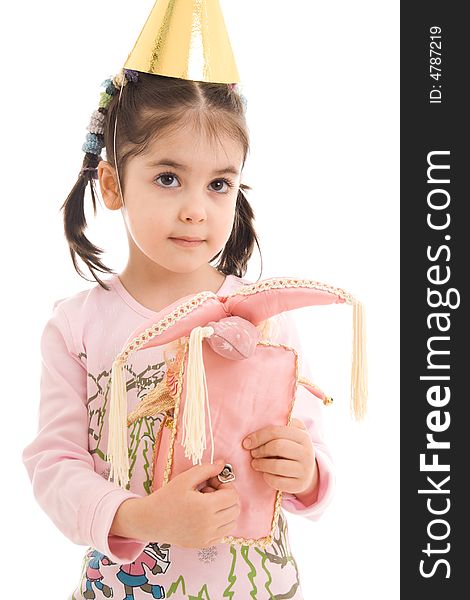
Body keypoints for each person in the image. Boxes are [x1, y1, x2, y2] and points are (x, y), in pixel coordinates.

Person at [22, 3, 336, 598]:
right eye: (169, 177)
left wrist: (308, 472)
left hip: (257, 587)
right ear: (113, 183)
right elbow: (54, 467)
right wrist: (142, 519)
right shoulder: (77, 327)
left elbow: (311, 444)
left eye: (219, 183)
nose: (197, 207)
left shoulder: (266, 317)